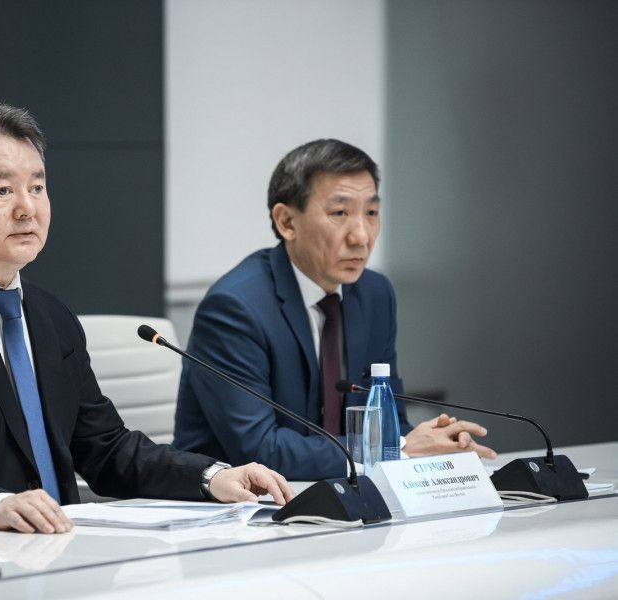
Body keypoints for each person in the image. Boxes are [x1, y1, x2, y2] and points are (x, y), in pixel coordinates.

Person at [0, 98, 292, 534]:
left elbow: (104, 447)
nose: (27, 208)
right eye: (3, 190)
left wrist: (210, 476)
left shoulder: (48, 315)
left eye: (37, 187)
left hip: (57, 550)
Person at [173, 139, 495, 480]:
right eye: (340, 213)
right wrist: (400, 448)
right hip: (238, 503)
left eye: (371, 213)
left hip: (342, 492)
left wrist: (435, 442)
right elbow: (261, 448)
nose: (361, 237)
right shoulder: (235, 308)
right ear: (286, 222)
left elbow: (388, 420)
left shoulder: (374, 294)